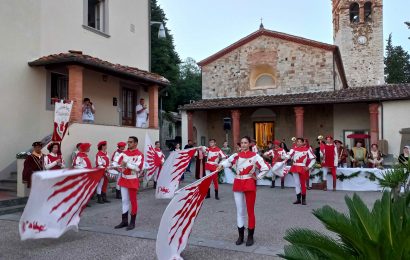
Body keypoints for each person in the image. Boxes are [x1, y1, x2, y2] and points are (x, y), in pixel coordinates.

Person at [218, 136, 270, 247]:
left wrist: (258, 177)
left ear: (250, 144)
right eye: (241, 143)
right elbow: (227, 162)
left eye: (245, 142)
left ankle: (250, 236)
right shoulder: (236, 156)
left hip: (249, 183)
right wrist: (221, 165)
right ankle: (240, 236)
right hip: (238, 183)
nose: (243, 144)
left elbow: (265, 168)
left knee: (250, 211)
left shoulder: (255, 156)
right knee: (240, 211)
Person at [115, 136, 144, 231]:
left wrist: (126, 165)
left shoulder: (139, 154)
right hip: (124, 179)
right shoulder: (124, 153)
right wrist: (112, 166)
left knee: (133, 201)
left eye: (131, 142)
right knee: (124, 200)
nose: (129, 143)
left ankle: (132, 222)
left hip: (132, 179)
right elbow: (117, 163)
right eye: (128, 142)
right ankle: (124, 221)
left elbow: (138, 168)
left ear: (135, 143)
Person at [287, 138, 316, 205]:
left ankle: (303, 200)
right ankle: (298, 199)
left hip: (302, 167)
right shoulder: (293, 149)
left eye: (300, 142)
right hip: (295, 167)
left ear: (303, 143)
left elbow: (313, 159)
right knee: (297, 184)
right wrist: (284, 155)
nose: (298, 143)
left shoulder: (307, 149)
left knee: (303, 184)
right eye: (298, 142)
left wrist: (308, 167)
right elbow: (288, 157)